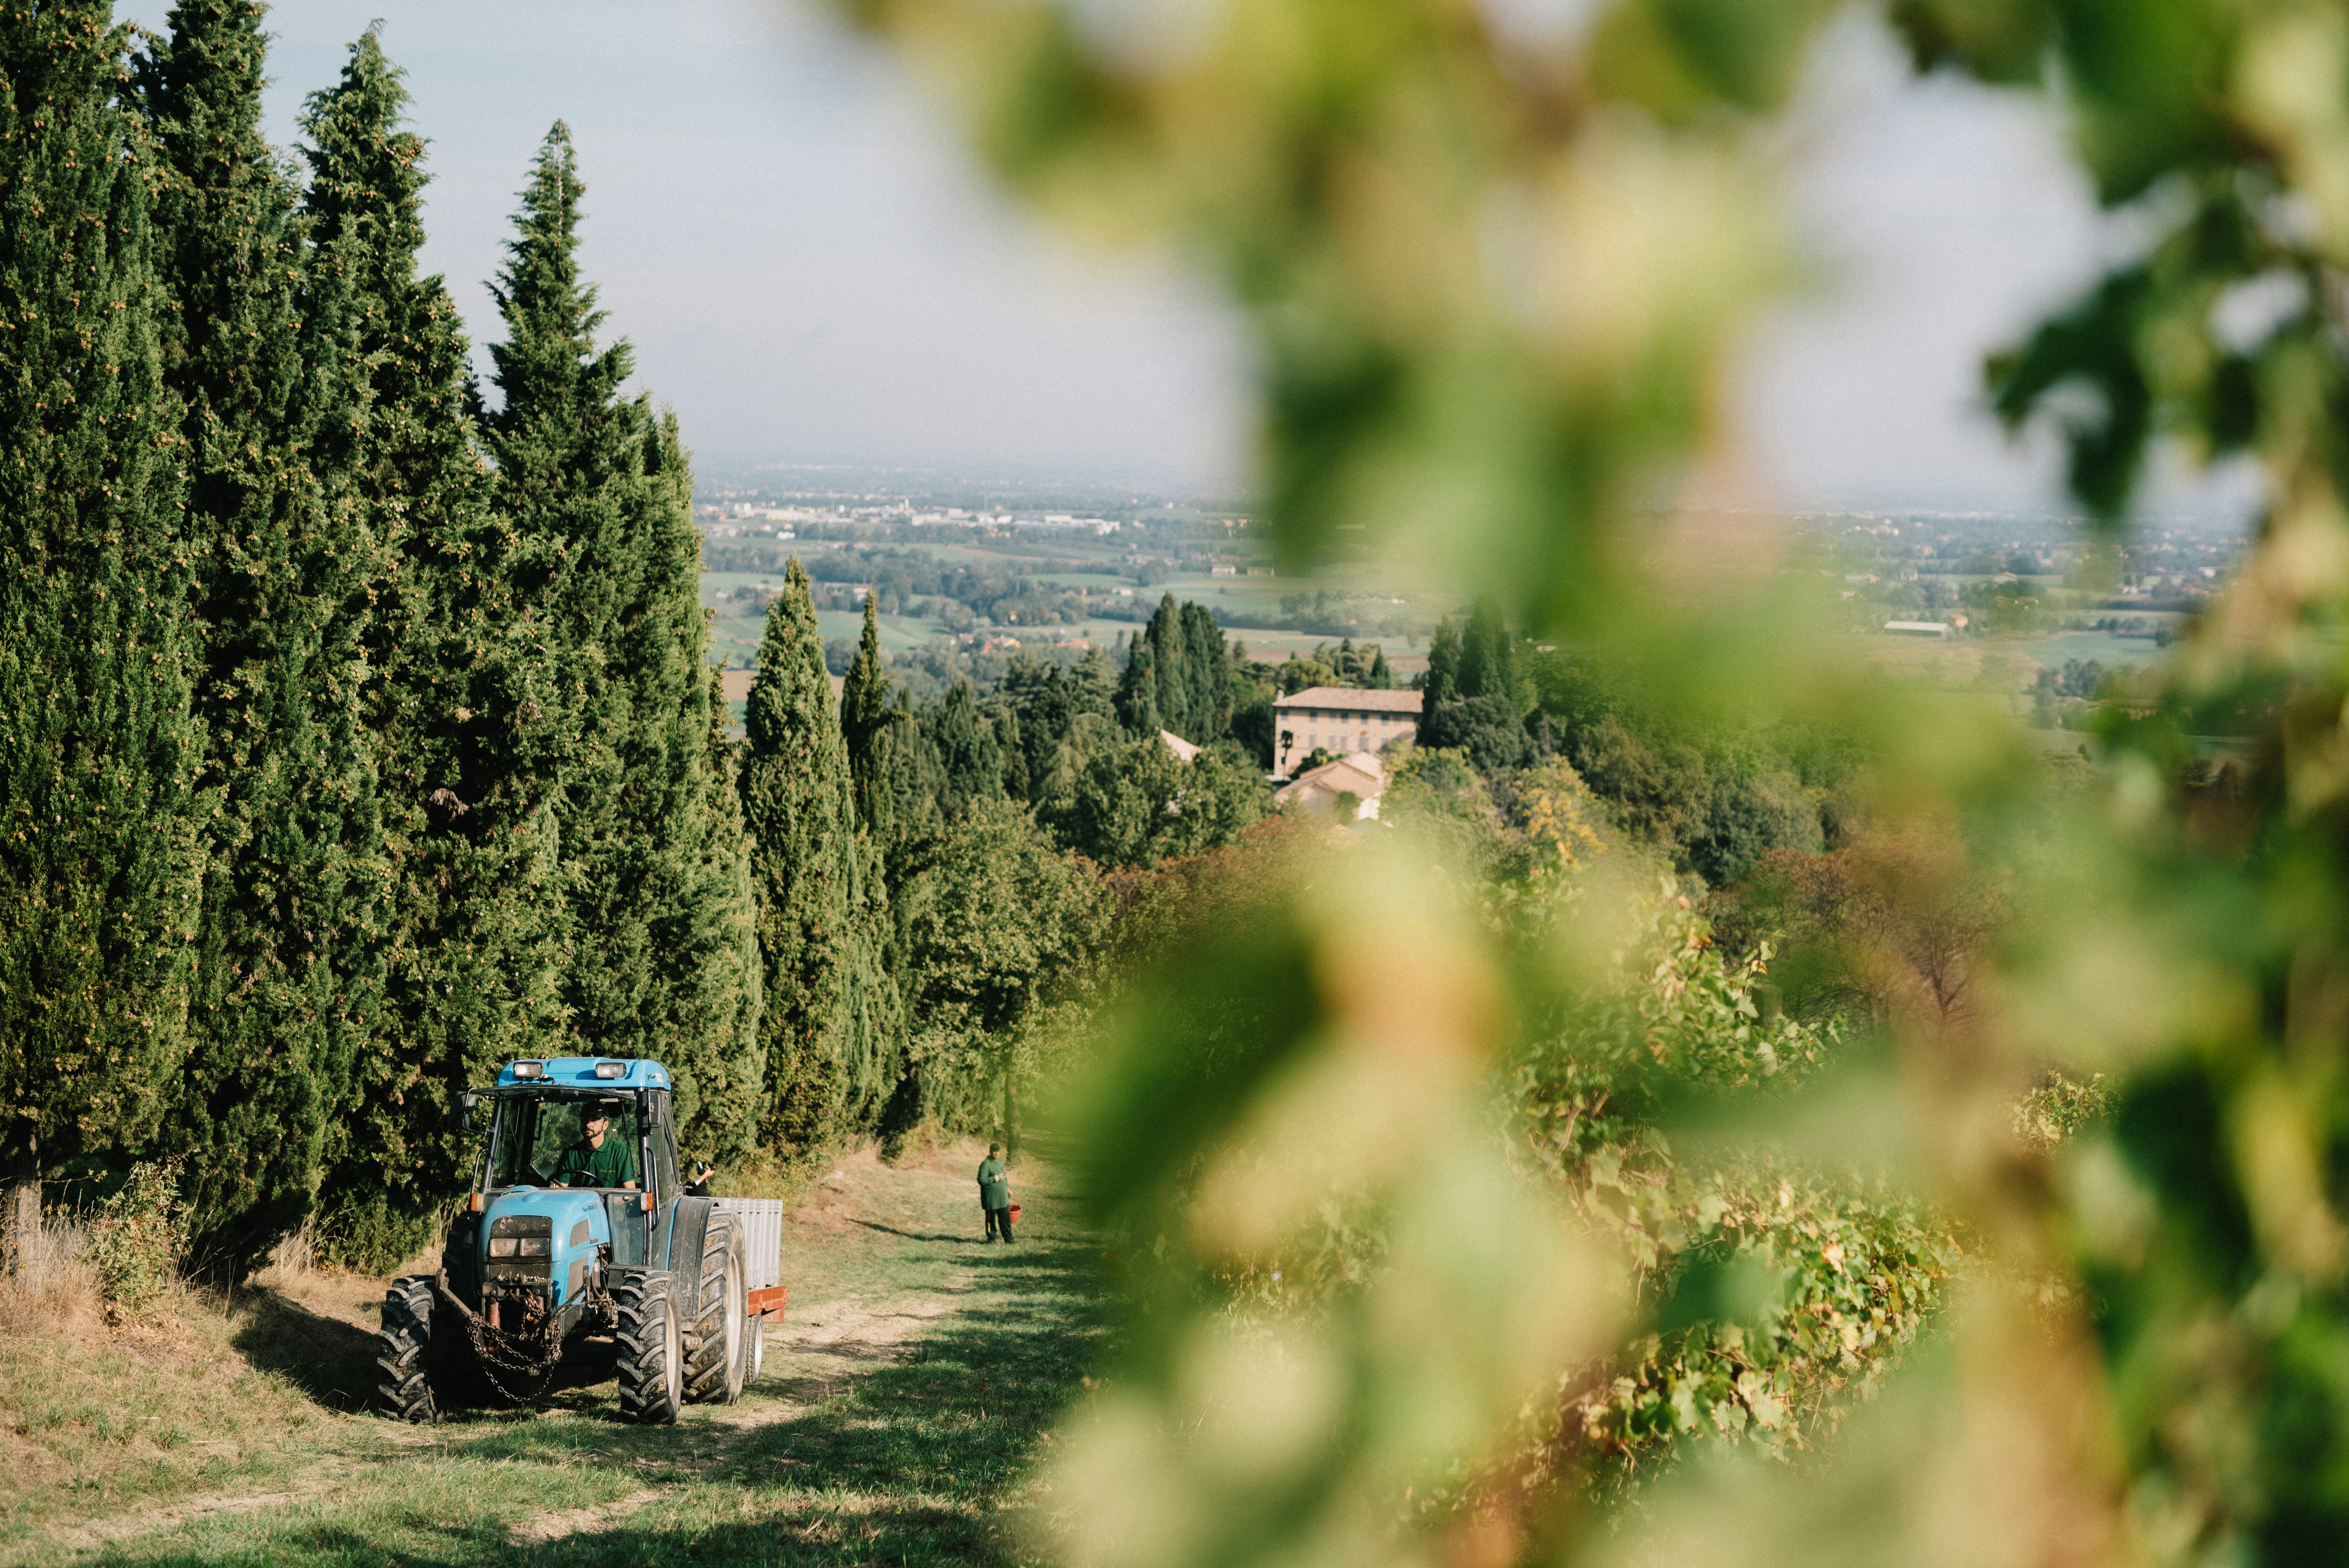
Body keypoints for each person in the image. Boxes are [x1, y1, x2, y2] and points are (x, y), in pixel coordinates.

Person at [555, 1100, 639, 1190]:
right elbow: (559, 1190)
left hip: (608, 1203)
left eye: (594, 1120)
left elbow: (630, 1193)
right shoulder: (570, 1154)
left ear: (605, 1125)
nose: (588, 1124)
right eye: (585, 1119)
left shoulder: (620, 1152)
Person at [977, 1142, 1013, 1244]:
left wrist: (1008, 1189)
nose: (997, 1154)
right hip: (991, 1199)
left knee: (1006, 1220)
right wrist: (995, 1178)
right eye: (994, 1151)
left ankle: (1009, 1239)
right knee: (990, 1221)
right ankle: (992, 1239)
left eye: (998, 1151)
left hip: (1002, 1198)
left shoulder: (1000, 1162)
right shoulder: (986, 1164)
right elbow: (981, 1180)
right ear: (990, 1152)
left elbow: (1004, 1176)